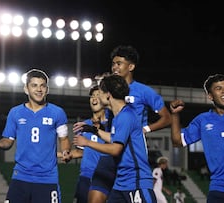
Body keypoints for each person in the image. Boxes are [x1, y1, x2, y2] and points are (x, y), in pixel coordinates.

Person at [79, 45, 171, 203]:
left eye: (119, 63)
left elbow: (166, 118)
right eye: (113, 63)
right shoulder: (110, 93)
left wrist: (144, 129)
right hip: (111, 152)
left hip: (130, 155)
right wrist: (95, 128)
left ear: (131, 66)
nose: (115, 67)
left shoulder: (143, 92)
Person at [0, 69, 71, 203]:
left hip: (47, 178)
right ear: (26, 89)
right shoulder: (15, 113)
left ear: (47, 89)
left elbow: (64, 139)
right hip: (21, 177)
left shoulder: (57, 113)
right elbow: (8, 141)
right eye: (34, 85)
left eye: (42, 86)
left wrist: (66, 151)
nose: (39, 89)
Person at [73, 74, 157, 203]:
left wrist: (88, 142)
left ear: (108, 95)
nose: (97, 96)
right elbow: (114, 138)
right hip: (121, 183)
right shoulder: (120, 116)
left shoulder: (126, 116)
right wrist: (93, 130)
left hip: (136, 182)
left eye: (100, 92)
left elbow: (116, 149)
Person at [170, 73, 224, 203]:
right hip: (220, 189)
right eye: (219, 88)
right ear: (210, 96)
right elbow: (177, 142)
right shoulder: (203, 120)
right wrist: (175, 115)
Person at [58, 85, 108, 203]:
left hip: (105, 175)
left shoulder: (112, 123)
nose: (94, 98)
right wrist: (68, 155)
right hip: (86, 175)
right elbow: (81, 152)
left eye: (98, 95)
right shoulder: (83, 125)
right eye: (92, 96)